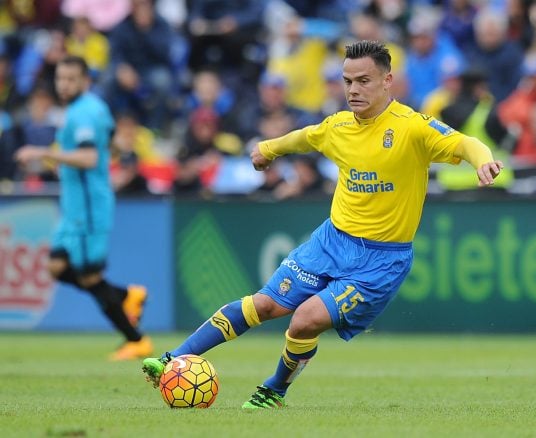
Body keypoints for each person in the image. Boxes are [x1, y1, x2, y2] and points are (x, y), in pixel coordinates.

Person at [142, 40, 503, 408]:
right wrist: (269, 149)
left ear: (387, 80)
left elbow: (464, 142)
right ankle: (172, 359)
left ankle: (275, 389)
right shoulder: (339, 126)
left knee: (304, 319)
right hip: (332, 240)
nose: (353, 90)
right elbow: (306, 137)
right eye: (348, 81)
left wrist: (483, 161)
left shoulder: (412, 128)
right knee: (265, 304)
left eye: (363, 81)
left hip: (380, 260)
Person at [14, 55, 152, 361]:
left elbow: (89, 158)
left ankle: (136, 340)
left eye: (71, 79)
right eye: (60, 79)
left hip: (89, 208)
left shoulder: (83, 113)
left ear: (85, 80)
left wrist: (44, 153)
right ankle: (127, 296)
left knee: (90, 277)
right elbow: (113, 142)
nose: (64, 85)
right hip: (74, 208)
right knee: (56, 266)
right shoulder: (92, 108)